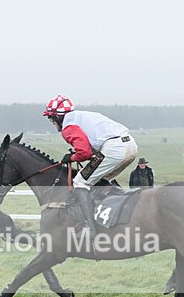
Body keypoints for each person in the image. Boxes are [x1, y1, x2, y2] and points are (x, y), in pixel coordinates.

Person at [42, 95, 138, 235]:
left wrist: (71, 157)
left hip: (114, 149)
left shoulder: (68, 127)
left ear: (57, 117)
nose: (52, 122)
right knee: (102, 180)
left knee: (80, 182)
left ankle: (90, 228)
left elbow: (84, 153)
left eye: (51, 118)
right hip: (131, 146)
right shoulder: (83, 116)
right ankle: (112, 213)